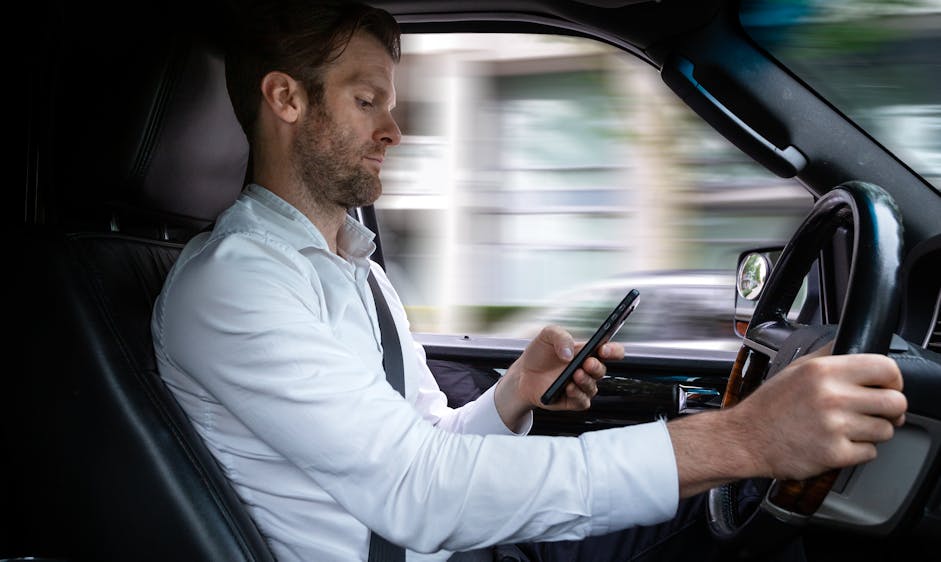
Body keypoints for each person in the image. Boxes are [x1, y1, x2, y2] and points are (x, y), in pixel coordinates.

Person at [151, 2, 908, 561]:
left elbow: (427, 441)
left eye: (391, 102)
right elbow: (416, 494)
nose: (395, 129)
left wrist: (513, 391)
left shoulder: (351, 268)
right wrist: (744, 438)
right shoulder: (233, 285)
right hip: (428, 547)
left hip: (453, 546)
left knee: (717, 518)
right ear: (286, 100)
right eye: (366, 99)